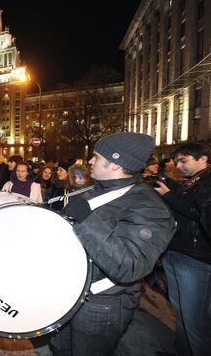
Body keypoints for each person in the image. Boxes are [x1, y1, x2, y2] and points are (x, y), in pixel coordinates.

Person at [50, 132, 175, 356]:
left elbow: (131, 266)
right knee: (61, 348)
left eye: (96, 157)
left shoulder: (150, 207)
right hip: (70, 292)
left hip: (100, 304)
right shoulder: (97, 190)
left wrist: (87, 220)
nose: (89, 161)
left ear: (116, 163)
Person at [155, 142, 211, 356]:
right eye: (176, 161)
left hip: (196, 258)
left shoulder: (207, 181)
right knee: (181, 311)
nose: (178, 165)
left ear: (203, 158)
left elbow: (199, 210)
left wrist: (169, 195)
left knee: (195, 319)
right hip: (178, 252)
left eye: (184, 160)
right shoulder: (193, 182)